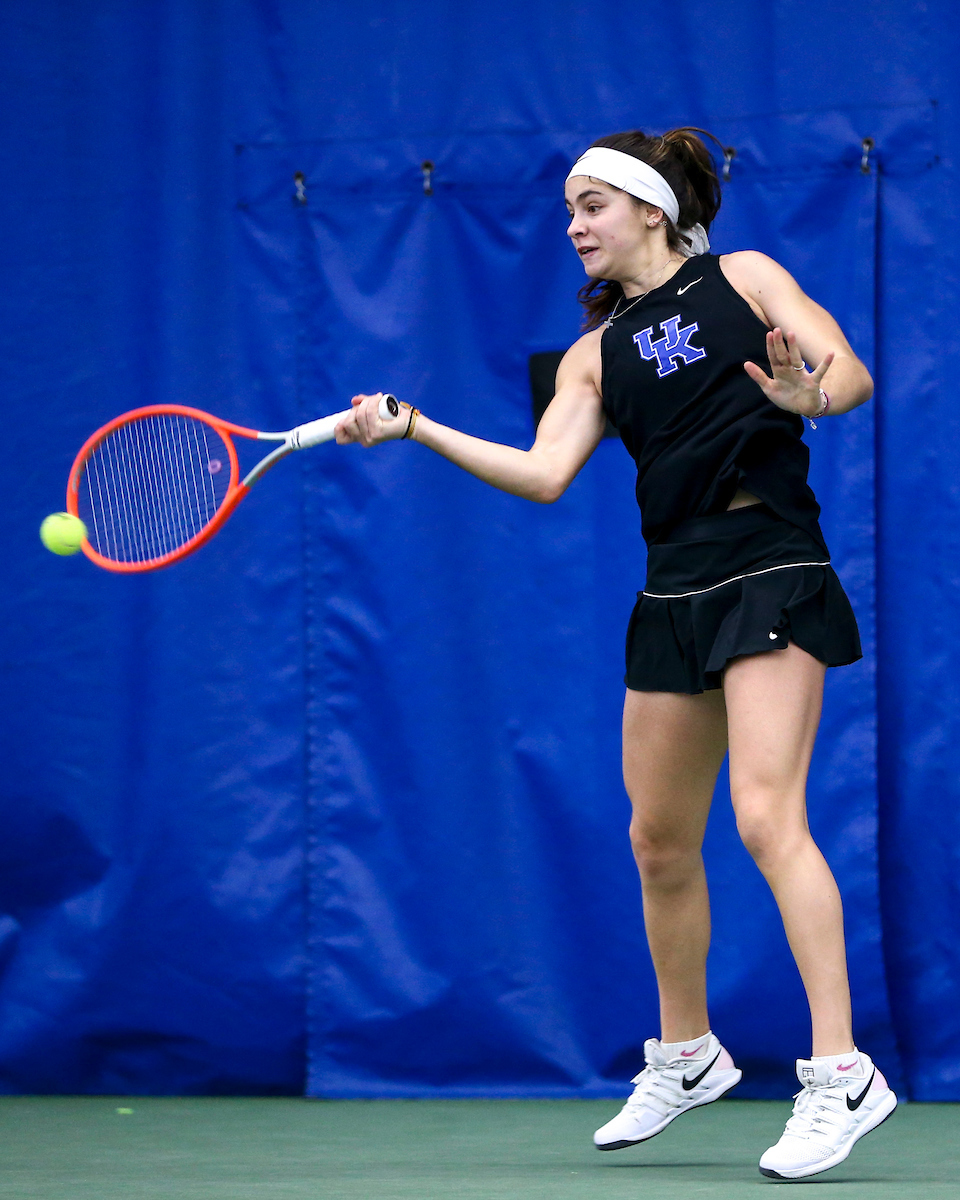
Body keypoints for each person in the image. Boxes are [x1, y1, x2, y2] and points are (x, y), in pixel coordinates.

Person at [335, 127, 897, 1181]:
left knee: (768, 817)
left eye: (591, 205)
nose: (574, 226)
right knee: (657, 839)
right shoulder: (593, 355)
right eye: (569, 211)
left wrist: (804, 398)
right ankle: (687, 1056)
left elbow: (851, 375)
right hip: (673, 586)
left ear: (649, 207)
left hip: (769, 560)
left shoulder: (746, 276)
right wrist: (416, 427)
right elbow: (547, 473)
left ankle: (842, 1074)